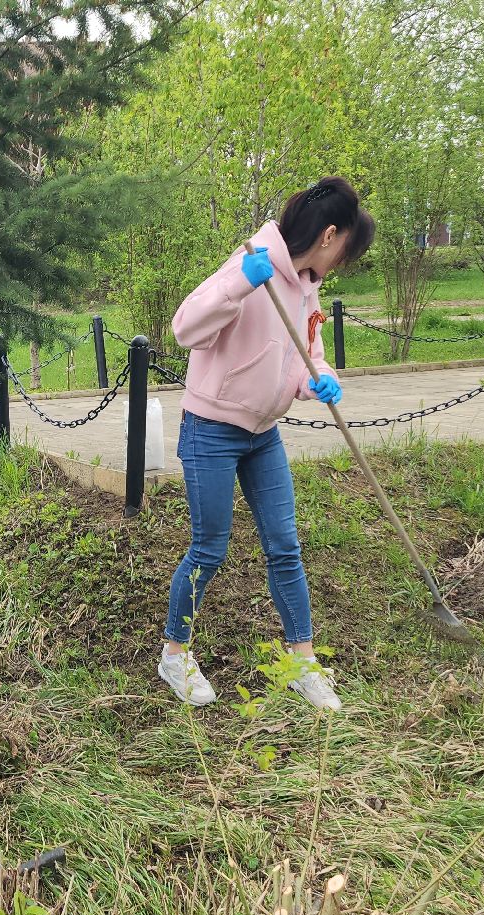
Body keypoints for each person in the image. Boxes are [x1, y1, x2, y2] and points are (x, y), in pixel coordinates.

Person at [158, 177, 374, 713]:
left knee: (285, 546)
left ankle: (303, 663)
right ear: (330, 235)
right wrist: (238, 287)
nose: (343, 263)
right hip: (211, 428)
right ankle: (174, 654)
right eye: (346, 249)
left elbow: (308, 350)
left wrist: (317, 378)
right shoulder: (250, 261)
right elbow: (184, 329)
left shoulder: (306, 284)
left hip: (262, 434)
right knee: (210, 549)